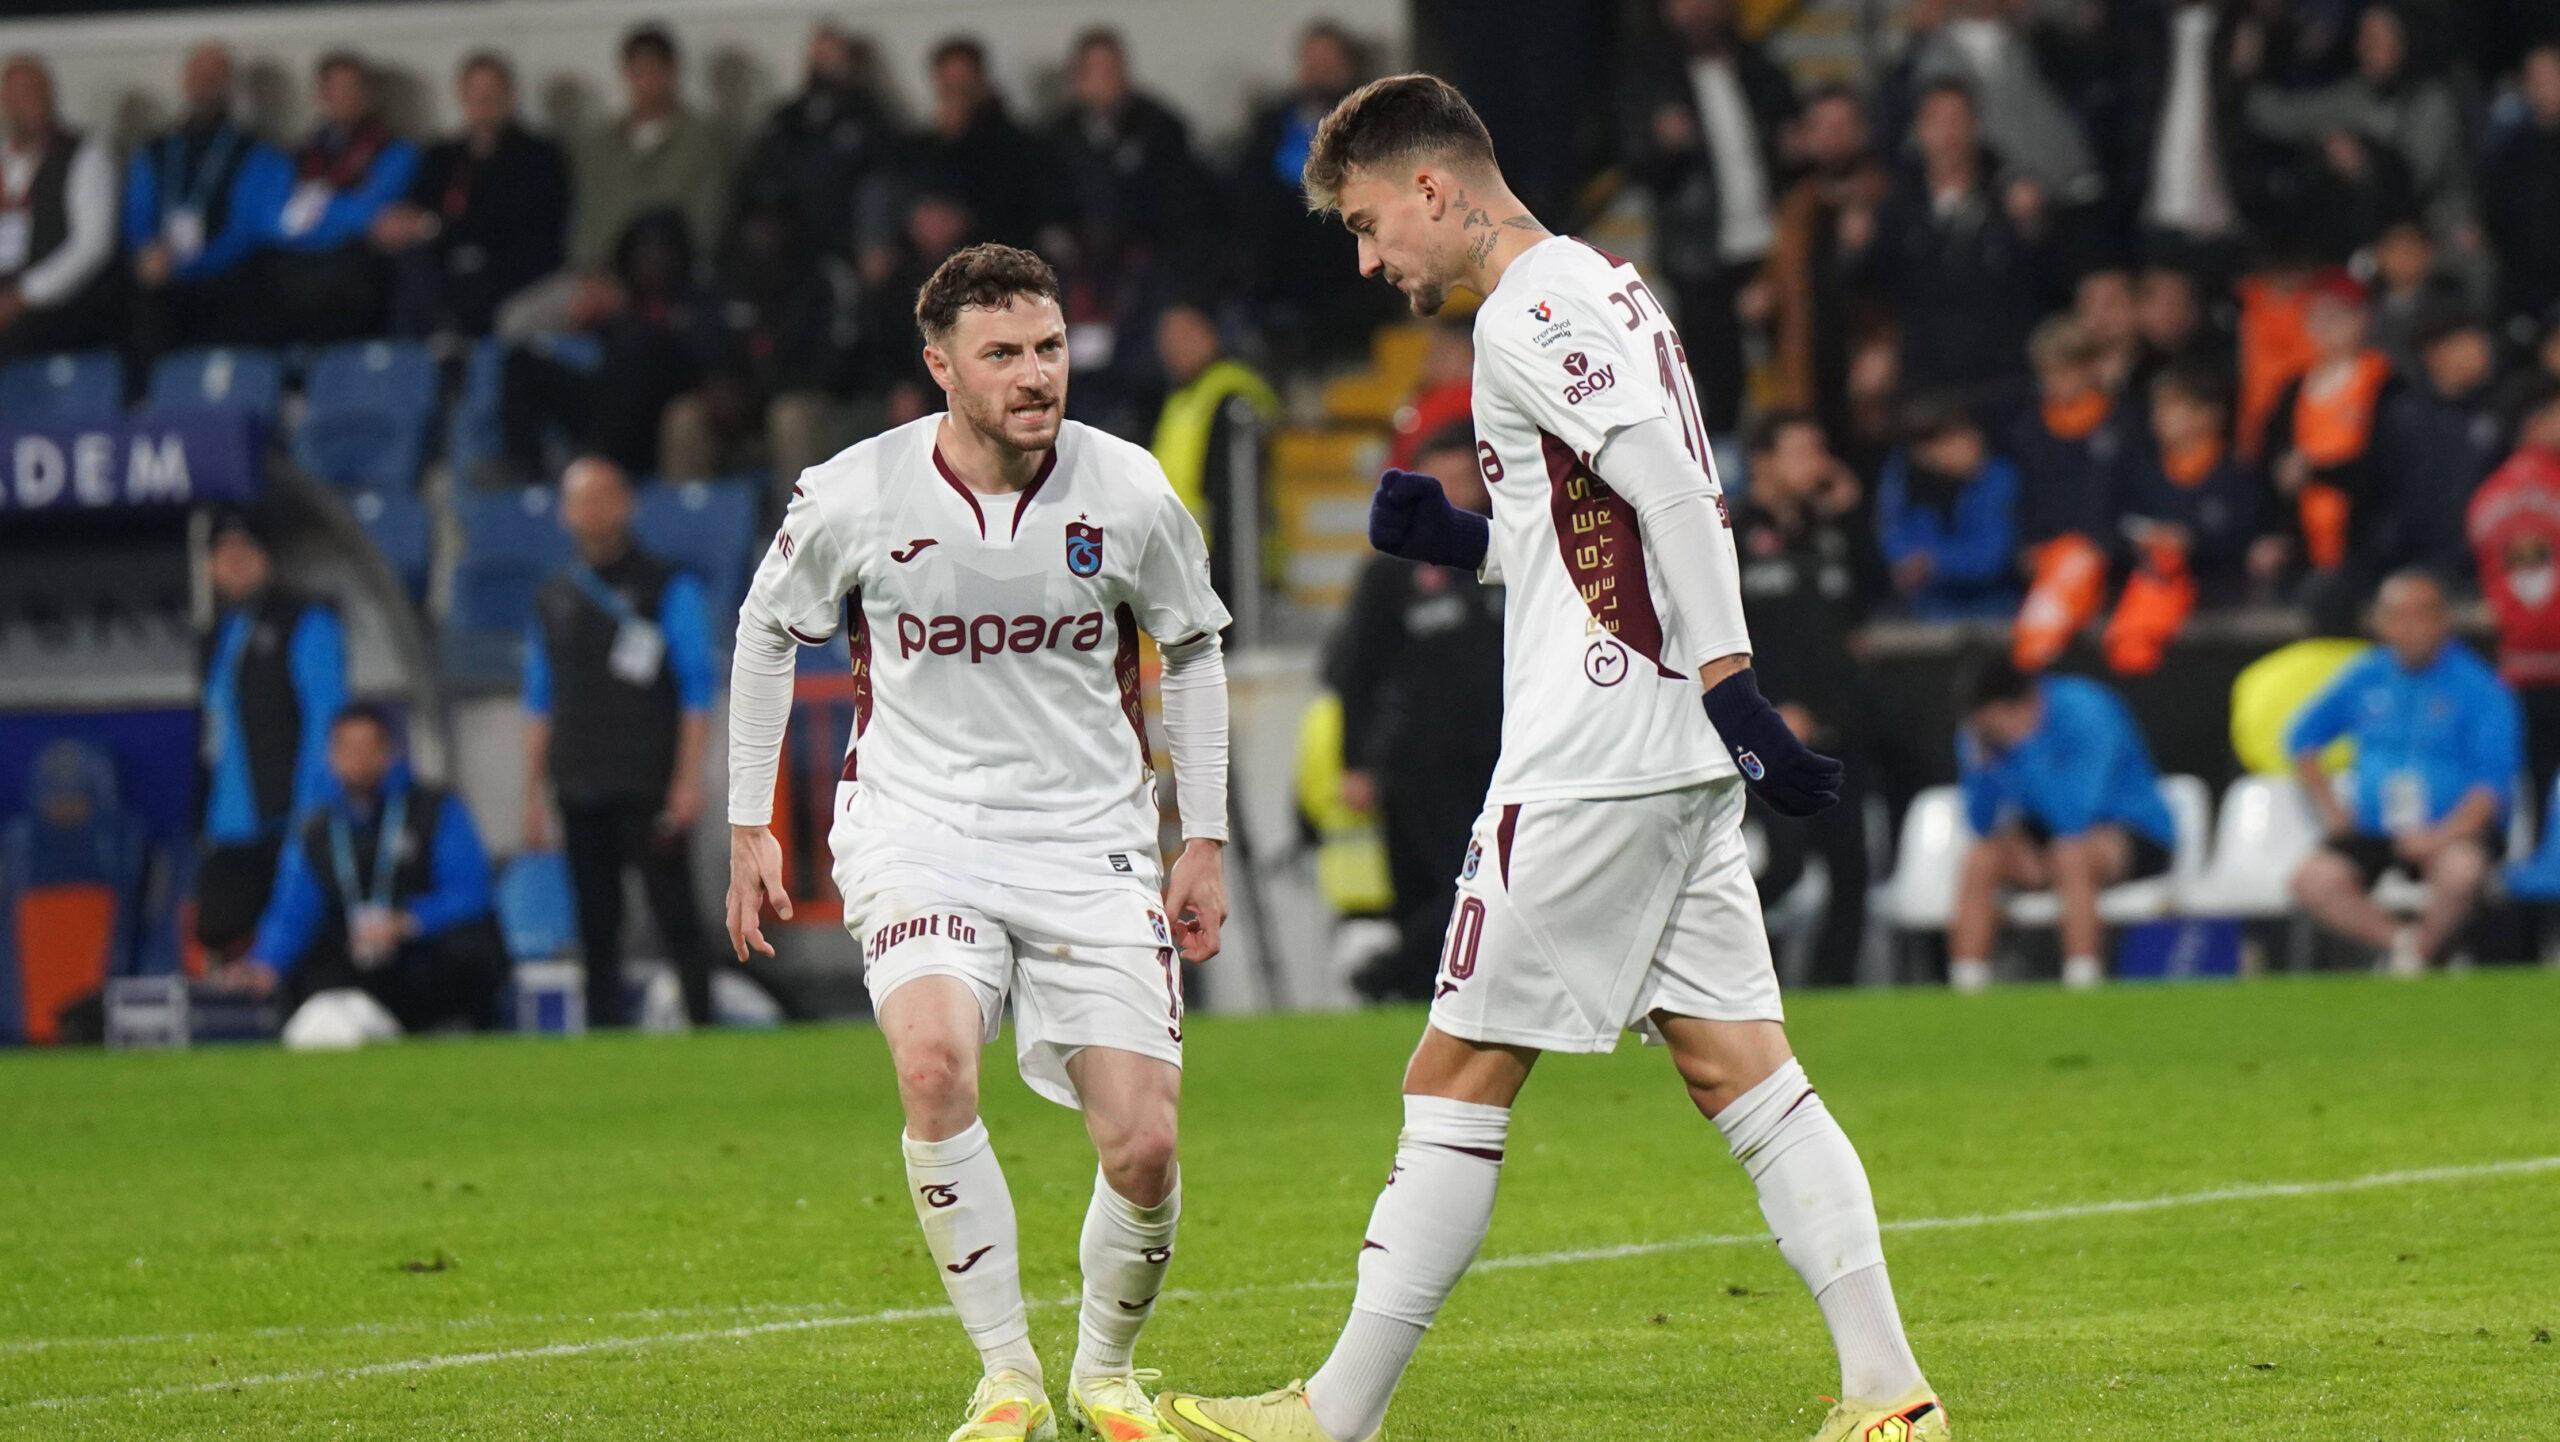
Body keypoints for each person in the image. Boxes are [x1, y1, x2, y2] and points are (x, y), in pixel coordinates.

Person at [1158, 74, 1943, 1442]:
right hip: (1651, 746)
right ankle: (1891, 1395)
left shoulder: (1533, 307)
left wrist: (1738, 691)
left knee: (1454, 1071)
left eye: (1365, 223)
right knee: (1744, 1071)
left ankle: (1331, 1414)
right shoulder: (1600, 284)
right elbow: (1591, 535)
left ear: (1433, 190)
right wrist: (1461, 538)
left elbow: (1678, 496)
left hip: (1595, 756)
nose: (1367, 258)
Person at [723, 243, 1233, 1442]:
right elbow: (765, 629)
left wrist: (1199, 835)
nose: (1033, 373)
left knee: (1146, 1143)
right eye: (1002, 353)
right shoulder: (857, 490)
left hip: (1088, 835)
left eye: (1048, 347)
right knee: (934, 1062)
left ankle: (1103, 1373)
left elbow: (1195, 647)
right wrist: (751, 818)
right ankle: (1006, 1374)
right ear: (939, 366)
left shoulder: (1129, 490)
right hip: (920, 825)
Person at [522, 456, 718, 1029]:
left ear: (627, 503)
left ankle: (702, 1020)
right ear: (563, 512)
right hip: (578, 779)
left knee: (674, 909)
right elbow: (538, 700)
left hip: (648, 777)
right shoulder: (552, 597)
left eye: (603, 495)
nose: (592, 509)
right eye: (579, 498)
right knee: (594, 918)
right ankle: (604, 1031)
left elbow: (697, 691)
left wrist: (687, 778)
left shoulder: (666, 585)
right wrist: (532, 792)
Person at [1322, 425, 1504, 1003]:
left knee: (1496, 882)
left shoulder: (1508, 554)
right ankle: (1397, 977)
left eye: (1464, 476)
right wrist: (1356, 762)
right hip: (1420, 762)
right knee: (1447, 884)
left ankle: (1409, 978)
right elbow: (1358, 675)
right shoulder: (1391, 573)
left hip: (1504, 755)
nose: (1456, 487)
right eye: (1442, 477)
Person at [220, 704, 507, 1047]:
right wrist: (264, 963)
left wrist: (407, 922)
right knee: (312, 970)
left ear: (388, 752)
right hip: (359, 959)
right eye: (347, 748)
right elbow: (293, 911)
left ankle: (459, 1031)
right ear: (331, 755)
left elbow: (470, 891)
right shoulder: (317, 830)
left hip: (424, 955)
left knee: (468, 946)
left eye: (367, 748)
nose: (358, 759)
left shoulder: (434, 809)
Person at [2285, 570, 2523, 975]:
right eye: (2397, 615)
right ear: (2380, 623)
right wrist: (2333, 812)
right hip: (2377, 827)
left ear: (2444, 620)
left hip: (2452, 829)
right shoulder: (2365, 675)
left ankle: (2418, 957)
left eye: (2421, 615)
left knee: (2462, 871)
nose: (2409, 627)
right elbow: (2301, 739)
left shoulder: (2480, 687)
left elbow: (2492, 786)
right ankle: (2407, 949)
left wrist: (2439, 836)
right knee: (2312, 880)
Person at [1732, 411, 1892, 987]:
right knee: (1784, 867)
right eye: (1802, 451)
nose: (1816, 465)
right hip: (1771, 730)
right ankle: (1724, 972)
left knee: (1852, 873)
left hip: (1838, 725)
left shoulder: (1828, 532)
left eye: (1820, 450)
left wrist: (1852, 516)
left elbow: (1874, 597)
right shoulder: (1729, 531)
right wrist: (1767, 711)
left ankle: (1832, 993)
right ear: (1762, 462)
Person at [1618, 0, 1797, 433]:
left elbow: (1791, 140)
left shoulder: (1759, 69)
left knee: (1798, 367)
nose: (1697, 10)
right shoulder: (1649, 79)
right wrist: (1663, 144)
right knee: (1715, 385)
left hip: (1772, 246)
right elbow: (1632, 160)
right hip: (1699, 255)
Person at [1947, 657, 2178, 992]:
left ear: (2021, 705)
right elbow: (1980, 824)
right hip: (2052, 835)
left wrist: (2025, 745)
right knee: (1981, 858)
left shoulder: (2088, 710)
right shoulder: (1982, 735)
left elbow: (2074, 816)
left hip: (2133, 832)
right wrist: (1982, 767)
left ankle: (2082, 982)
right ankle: (1966, 988)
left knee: (2070, 856)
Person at [193, 510, 346, 968]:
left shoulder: (306, 621)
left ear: (268, 559)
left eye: (246, 553)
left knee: (299, 945)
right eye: (224, 555)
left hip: (287, 818)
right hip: (228, 825)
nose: (235, 564)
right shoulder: (215, 635)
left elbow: (327, 718)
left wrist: (311, 809)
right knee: (219, 931)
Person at [1862, 79, 2058, 403]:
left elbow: (2049, 281)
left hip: (2004, 376)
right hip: (1926, 378)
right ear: (1919, 129)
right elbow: (1876, 289)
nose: (1948, 134)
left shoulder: (2014, 197)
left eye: (1957, 119)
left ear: (1975, 126)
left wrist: (2033, 228)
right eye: (1937, 121)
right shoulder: (1894, 207)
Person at [375, 52, 569, 339]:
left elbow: (514, 220)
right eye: (476, 96)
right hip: (443, 266)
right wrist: (397, 223)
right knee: (408, 269)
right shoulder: (442, 155)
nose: (484, 104)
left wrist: (437, 227)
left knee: (469, 276)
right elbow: (418, 208)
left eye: (493, 95)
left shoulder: (538, 155)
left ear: (510, 96)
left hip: (508, 266)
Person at [658, 199, 852, 488]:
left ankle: (800, 528)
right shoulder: (720, 280)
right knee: (684, 417)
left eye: (772, 226)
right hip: (735, 406)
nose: (763, 235)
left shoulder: (819, 283)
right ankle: (690, 526)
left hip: (802, 401)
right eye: (755, 225)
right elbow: (695, 349)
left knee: (789, 417)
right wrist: (716, 384)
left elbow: (833, 368)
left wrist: (762, 389)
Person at [123, 43, 290, 362]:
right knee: (134, 293)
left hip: (225, 273)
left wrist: (188, 265)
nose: (206, 82)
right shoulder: (154, 149)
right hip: (160, 272)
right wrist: (149, 255)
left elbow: (248, 227)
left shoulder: (259, 151)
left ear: (230, 83)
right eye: (198, 74)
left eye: (215, 75)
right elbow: (137, 214)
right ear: (185, 80)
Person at [2258, 268, 2403, 626]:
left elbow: (2389, 469)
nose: (2326, 326)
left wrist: (2318, 472)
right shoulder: (2293, 390)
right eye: (2317, 316)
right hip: (2305, 547)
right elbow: (2267, 462)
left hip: (2371, 546)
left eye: (2337, 315)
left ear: (2362, 319)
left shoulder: (2387, 384)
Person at [258, 52, 418, 344]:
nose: (345, 97)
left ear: (370, 96)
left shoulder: (396, 150)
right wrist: (337, 214)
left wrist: (317, 212)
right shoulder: (299, 155)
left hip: (354, 260)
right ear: (321, 96)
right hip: (299, 260)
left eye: (353, 89)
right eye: (335, 89)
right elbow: (277, 216)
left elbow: (377, 213)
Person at [1765, 85, 1890, 448]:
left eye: (1842, 125)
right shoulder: (1796, 208)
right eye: (1822, 127)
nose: (1833, 137)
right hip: (1813, 378)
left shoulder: (1889, 198)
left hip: (1874, 381)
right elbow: (1783, 279)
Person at [565, 26, 730, 278]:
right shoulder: (603, 143)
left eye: (653, 71)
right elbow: (587, 219)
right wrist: (590, 272)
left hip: (670, 275)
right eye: (637, 73)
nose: (645, 83)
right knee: (523, 316)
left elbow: (706, 223)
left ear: (673, 72)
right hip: (601, 276)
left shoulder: (701, 141)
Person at [2466, 375, 2560, 817]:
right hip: (2542, 664)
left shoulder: (2489, 494)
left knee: (2534, 796)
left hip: (2518, 667)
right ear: (2535, 421)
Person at [1147, 303, 1278, 609]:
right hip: (1187, 561)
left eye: (1181, 336)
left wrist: (1223, 571)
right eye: (1164, 339)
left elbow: (1234, 497)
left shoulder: (1230, 396)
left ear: (1208, 335)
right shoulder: (1184, 395)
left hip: (1227, 568)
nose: (1169, 348)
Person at [733, 24, 900, 261]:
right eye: (817, 55)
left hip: (845, 235)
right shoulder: (787, 117)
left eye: (831, 56)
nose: (823, 64)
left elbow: (882, 173)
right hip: (789, 234)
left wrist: (873, 238)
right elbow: (761, 170)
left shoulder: (870, 115)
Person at [0, 54, 118, 362]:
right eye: (22, 96)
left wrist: (25, 294)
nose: (35, 104)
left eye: (41, 93)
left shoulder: (84, 156)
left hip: (59, 305)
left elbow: (92, 245)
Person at [1876, 394, 2022, 618]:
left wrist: (1933, 562)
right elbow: (1893, 535)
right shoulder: (1910, 477)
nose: (1933, 456)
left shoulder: (2001, 478)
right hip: (1926, 608)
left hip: (1993, 606)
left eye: (1943, 441)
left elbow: (1994, 555)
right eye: (1924, 449)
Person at [910, 37, 1055, 254]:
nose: (955, 92)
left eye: (962, 81)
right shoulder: (922, 145)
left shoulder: (1014, 144)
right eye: (948, 83)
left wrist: (962, 221)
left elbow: (1015, 207)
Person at [2482, 44, 2560, 335]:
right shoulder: (2511, 149)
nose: (2543, 86)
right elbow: (2496, 214)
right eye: (2534, 78)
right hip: (2522, 285)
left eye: (2552, 76)